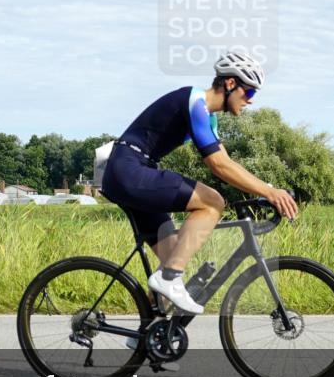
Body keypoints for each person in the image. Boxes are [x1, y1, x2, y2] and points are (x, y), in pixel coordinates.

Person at [101, 52, 299, 314]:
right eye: (249, 92)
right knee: (213, 202)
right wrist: (271, 193)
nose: (250, 101)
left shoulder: (208, 116)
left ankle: (151, 328)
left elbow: (227, 163)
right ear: (230, 84)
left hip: (130, 171)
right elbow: (217, 164)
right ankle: (169, 279)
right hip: (130, 170)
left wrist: (266, 190)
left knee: (174, 256)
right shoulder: (195, 101)